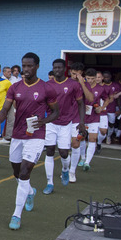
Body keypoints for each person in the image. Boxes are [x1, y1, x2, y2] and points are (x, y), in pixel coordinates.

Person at [0, 53, 59, 230]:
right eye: (24, 66)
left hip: (36, 136)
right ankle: (30, 192)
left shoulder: (47, 88)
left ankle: (16, 215)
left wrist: (44, 122)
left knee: (24, 172)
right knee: (17, 172)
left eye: (29, 66)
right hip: (17, 135)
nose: (26, 69)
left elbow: (56, 112)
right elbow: (4, 110)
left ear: (37, 66)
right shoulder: (15, 87)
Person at [42, 59, 85, 195]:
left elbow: (80, 104)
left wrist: (82, 122)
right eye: (55, 68)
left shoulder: (73, 85)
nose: (57, 70)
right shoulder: (47, 85)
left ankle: (65, 170)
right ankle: (50, 183)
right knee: (49, 150)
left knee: (64, 153)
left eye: (60, 68)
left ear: (64, 69)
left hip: (66, 123)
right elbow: (42, 103)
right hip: (51, 122)